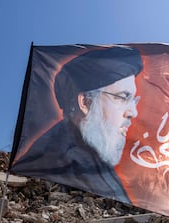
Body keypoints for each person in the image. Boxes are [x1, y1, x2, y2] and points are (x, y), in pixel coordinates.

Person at [11, 46, 144, 203]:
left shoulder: (94, 152)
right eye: (122, 97)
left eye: (134, 100)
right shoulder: (55, 160)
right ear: (86, 103)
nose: (133, 112)